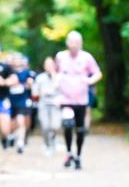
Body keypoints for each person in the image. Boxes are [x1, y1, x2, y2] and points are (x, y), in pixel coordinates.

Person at [55, 31, 103, 170]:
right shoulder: (61, 56)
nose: (74, 45)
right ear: (67, 43)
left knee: (80, 128)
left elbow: (98, 73)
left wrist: (89, 80)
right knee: (68, 123)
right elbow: (57, 73)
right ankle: (69, 152)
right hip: (65, 97)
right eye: (71, 42)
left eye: (77, 42)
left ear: (81, 44)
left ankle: (79, 155)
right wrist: (56, 87)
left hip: (81, 98)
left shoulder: (87, 57)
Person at [32, 56, 62, 156]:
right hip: (43, 104)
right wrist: (40, 93)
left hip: (56, 105)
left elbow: (62, 89)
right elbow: (34, 93)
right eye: (47, 65)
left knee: (55, 126)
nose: (49, 67)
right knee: (45, 127)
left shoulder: (59, 77)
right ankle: (48, 145)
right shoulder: (40, 78)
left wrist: (54, 75)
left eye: (51, 64)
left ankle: (53, 138)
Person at [7, 53, 35, 154]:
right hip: (10, 100)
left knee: (21, 121)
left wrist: (27, 84)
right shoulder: (7, 71)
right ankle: (12, 135)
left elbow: (30, 84)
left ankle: (20, 143)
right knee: (11, 124)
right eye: (14, 59)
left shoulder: (27, 72)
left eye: (18, 59)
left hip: (22, 100)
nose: (16, 61)